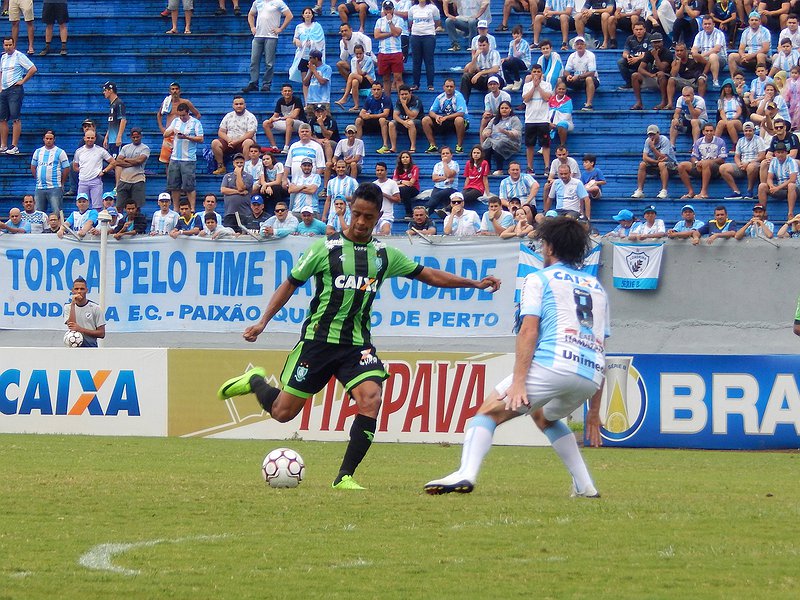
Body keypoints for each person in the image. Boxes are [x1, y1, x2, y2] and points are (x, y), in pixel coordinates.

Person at [217, 182, 502, 490]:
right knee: (283, 413)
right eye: (357, 214)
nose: (362, 222)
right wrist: (263, 322)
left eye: (368, 216)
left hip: (357, 347)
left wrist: (473, 284)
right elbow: (289, 284)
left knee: (371, 398)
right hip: (318, 343)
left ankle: (344, 477)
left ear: (379, 215)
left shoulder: (383, 255)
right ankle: (255, 381)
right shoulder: (324, 250)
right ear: (350, 211)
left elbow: (430, 275)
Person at [424, 216, 606, 497]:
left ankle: (466, 474)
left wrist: (519, 382)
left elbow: (528, 330)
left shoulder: (538, 278)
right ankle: (586, 486)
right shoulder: (597, 288)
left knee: (487, 413)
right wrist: (594, 412)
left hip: (554, 364)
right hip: (590, 375)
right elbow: (600, 345)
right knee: (543, 416)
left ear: (549, 248)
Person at [243, 0, 293, 93]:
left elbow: (289, 15)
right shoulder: (257, 2)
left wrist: (280, 29)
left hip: (271, 36)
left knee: (269, 63)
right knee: (254, 61)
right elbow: (251, 14)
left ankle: (266, 84)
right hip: (258, 35)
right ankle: (253, 82)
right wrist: (252, 27)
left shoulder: (278, 2)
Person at [164, 101, 204, 211]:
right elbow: (165, 134)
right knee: (174, 185)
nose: (182, 117)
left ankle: (192, 208)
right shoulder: (175, 121)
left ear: (188, 113)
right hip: (175, 157)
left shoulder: (195, 123)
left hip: (188, 159)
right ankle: (176, 208)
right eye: (180, 115)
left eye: (184, 115)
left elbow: (200, 138)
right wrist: (173, 131)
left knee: (189, 186)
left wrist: (187, 137)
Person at [0, 37, 36, 155]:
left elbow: (32, 68)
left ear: (14, 45)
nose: (8, 47)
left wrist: (23, 81)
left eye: (10, 45)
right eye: (6, 45)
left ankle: (14, 145)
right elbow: (1, 73)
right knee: (2, 118)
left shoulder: (19, 56)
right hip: (4, 90)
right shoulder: (3, 57)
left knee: (15, 117)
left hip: (15, 89)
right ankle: (3, 145)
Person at [156, 82, 201, 170]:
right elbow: (159, 115)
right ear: (170, 91)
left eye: (176, 89)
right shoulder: (166, 103)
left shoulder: (185, 102)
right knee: (167, 161)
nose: (175, 91)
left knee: (182, 160)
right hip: (169, 134)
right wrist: (162, 128)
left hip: (182, 135)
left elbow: (197, 114)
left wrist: (191, 128)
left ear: (180, 91)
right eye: (172, 89)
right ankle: (169, 182)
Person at [677, 123, 728, 199]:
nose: (709, 133)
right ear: (703, 132)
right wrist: (697, 163)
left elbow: (722, 159)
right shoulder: (698, 142)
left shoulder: (720, 142)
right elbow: (693, 157)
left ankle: (703, 192)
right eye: (707, 131)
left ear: (714, 132)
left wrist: (708, 162)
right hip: (700, 165)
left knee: (705, 163)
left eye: (711, 131)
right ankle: (690, 192)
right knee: (681, 165)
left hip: (715, 167)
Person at [211, 96, 258, 175]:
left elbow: (250, 133)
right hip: (229, 142)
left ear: (245, 105)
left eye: (241, 104)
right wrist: (228, 140)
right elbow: (221, 132)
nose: (239, 106)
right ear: (233, 105)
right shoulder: (228, 116)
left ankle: (245, 168)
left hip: (242, 143)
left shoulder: (250, 117)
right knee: (215, 143)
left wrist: (236, 142)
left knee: (249, 142)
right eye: (236, 104)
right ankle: (221, 167)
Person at [719, 120, 766, 199]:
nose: (748, 133)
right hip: (743, 164)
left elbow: (761, 156)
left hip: (754, 163)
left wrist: (748, 163)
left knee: (751, 167)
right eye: (746, 131)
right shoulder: (740, 141)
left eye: (750, 131)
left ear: (753, 131)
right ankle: (736, 191)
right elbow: (737, 156)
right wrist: (739, 164)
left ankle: (749, 190)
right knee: (723, 168)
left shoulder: (759, 140)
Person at [422, 78, 469, 154]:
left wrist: (446, 117)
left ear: (454, 87)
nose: (449, 88)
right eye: (447, 86)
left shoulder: (459, 96)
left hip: (459, 122)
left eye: (451, 86)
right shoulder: (440, 97)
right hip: (445, 121)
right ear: (443, 87)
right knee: (425, 120)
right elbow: (431, 112)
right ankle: (433, 146)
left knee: (459, 119)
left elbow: (461, 113)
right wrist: (436, 116)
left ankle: (459, 146)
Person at [72, 129, 115, 210]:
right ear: (84, 138)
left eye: (92, 138)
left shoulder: (100, 150)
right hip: (82, 181)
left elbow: (113, 162)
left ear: (95, 139)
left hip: (96, 181)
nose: (90, 140)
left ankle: (96, 222)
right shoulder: (79, 151)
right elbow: (75, 166)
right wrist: (83, 171)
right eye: (88, 138)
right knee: (82, 206)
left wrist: (104, 171)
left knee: (97, 207)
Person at [522, 63, 553, 175]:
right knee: (530, 145)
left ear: (541, 73)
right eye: (534, 71)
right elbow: (526, 99)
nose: (536, 74)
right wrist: (533, 87)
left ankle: (546, 167)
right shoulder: (526, 85)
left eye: (538, 72)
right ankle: (530, 167)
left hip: (543, 120)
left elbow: (546, 98)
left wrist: (538, 86)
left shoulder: (547, 85)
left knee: (545, 144)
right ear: (531, 73)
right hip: (530, 120)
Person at [30, 129, 69, 214]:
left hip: (55, 187)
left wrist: (62, 183)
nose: (48, 140)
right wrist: (37, 178)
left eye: (50, 139)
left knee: (57, 212)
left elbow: (66, 168)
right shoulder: (38, 151)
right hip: (40, 188)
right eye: (47, 138)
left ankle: (59, 227)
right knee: (38, 213)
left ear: (54, 139)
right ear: (43, 139)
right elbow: (33, 166)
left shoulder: (60, 152)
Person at [290, 8, 325, 99]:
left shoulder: (317, 26)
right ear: (303, 15)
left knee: (315, 80)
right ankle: (307, 101)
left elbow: (321, 40)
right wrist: (297, 41)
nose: (308, 14)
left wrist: (313, 43)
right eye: (306, 13)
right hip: (303, 56)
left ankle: (316, 100)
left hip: (314, 58)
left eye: (309, 13)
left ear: (312, 15)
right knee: (305, 81)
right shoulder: (299, 27)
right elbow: (295, 39)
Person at [631, 32, 672, 111]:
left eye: (659, 42)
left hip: (664, 78)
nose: (657, 45)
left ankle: (664, 101)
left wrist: (656, 56)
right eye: (655, 42)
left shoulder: (667, 53)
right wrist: (650, 74)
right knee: (635, 75)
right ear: (652, 44)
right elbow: (640, 68)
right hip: (653, 77)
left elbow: (662, 68)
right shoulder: (649, 53)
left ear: (662, 42)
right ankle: (639, 103)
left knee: (661, 74)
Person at [481, 100, 522, 175]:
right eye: (502, 108)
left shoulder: (514, 119)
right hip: (494, 140)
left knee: (498, 143)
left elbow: (517, 134)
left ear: (510, 109)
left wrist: (506, 132)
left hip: (511, 142)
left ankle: (499, 169)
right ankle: (487, 169)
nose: (504, 110)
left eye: (506, 108)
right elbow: (487, 129)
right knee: (485, 145)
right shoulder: (494, 119)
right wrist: (487, 132)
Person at [758, 140, 797, 218]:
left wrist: (778, 188)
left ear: (786, 153)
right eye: (778, 152)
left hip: (793, 188)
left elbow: (792, 179)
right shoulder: (774, 161)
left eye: (782, 152)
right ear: (775, 153)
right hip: (779, 187)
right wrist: (772, 186)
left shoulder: (792, 162)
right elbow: (769, 178)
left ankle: (790, 213)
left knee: (791, 185)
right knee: (762, 186)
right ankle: (763, 213)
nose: (780, 154)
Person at [262, 83, 304, 154]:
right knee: (266, 123)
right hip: (287, 123)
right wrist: (271, 120)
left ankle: (286, 147)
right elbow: (275, 115)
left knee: (289, 120)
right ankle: (274, 147)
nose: (287, 93)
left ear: (292, 92)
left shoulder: (297, 100)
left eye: (289, 91)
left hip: (299, 124)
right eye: (285, 91)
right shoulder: (280, 101)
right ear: (282, 92)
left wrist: (280, 118)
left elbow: (294, 115)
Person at [64, 277, 105, 348]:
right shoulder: (68, 307)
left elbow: (101, 333)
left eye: (82, 289)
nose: (79, 291)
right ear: (72, 291)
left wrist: (81, 329)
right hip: (74, 347)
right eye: (76, 289)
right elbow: (72, 327)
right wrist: (73, 304)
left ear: (87, 290)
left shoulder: (95, 308)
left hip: (91, 347)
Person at [374, 1, 405, 94]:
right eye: (386, 9)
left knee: (398, 77)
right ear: (383, 9)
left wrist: (390, 22)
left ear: (393, 9)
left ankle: (401, 101)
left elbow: (397, 33)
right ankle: (387, 102)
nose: (388, 11)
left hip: (396, 51)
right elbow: (376, 36)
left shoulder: (399, 20)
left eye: (389, 9)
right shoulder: (379, 21)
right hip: (383, 52)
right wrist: (391, 33)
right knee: (386, 79)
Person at [115, 127, 150, 209]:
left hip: (138, 180)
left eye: (137, 137)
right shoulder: (125, 148)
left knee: (137, 207)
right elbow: (118, 161)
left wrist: (126, 159)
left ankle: (136, 222)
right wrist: (133, 162)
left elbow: (140, 160)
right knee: (119, 206)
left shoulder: (145, 148)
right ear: (131, 137)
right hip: (123, 180)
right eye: (134, 137)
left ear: (141, 136)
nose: (136, 139)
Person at [461, 35, 503, 102]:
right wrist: (474, 58)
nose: (482, 47)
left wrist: (480, 73)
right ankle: (463, 104)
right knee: (466, 76)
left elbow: (495, 69)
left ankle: (490, 106)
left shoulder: (495, 53)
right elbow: (471, 71)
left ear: (488, 45)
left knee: (491, 76)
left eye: (484, 45)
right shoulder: (478, 55)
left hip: (497, 80)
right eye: (480, 46)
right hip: (484, 80)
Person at [728, 11, 771, 77]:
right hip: (749, 57)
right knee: (732, 56)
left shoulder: (765, 31)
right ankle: (734, 79)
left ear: (759, 21)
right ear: (749, 21)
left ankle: (761, 78)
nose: (754, 22)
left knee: (760, 55)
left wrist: (751, 56)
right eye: (752, 20)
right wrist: (743, 56)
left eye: (756, 20)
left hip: (764, 57)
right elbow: (741, 48)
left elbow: (765, 49)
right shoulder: (746, 32)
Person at [409, 0, 440, 91]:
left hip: (429, 36)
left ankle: (430, 84)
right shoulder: (412, 9)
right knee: (416, 61)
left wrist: (429, 30)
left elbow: (437, 22)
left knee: (429, 61)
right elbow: (410, 22)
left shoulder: (433, 8)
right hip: (415, 36)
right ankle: (416, 84)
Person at [334, 43, 375, 111]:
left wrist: (357, 63)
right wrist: (364, 74)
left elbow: (360, 73)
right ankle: (356, 105)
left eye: (360, 53)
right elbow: (356, 74)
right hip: (360, 80)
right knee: (354, 81)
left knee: (352, 76)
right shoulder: (353, 60)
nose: (358, 55)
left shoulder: (368, 60)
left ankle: (345, 97)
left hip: (369, 82)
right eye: (357, 54)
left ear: (363, 52)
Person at [691, 15, 728, 88]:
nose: (707, 26)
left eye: (709, 24)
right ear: (702, 25)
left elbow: (716, 49)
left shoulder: (719, 33)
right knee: (693, 54)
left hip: (720, 59)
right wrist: (695, 54)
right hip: (705, 59)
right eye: (705, 24)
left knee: (713, 56)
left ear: (713, 24)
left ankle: (715, 80)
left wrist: (701, 56)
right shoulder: (699, 35)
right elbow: (694, 48)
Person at [221, 152, 254, 231]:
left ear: (244, 163)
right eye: (237, 163)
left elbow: (240, 187)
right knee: (229, 235)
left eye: (241, 163)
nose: (239, 164)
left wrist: (238, 173)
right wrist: (238, 193)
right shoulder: (227, 176)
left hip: (244, 213)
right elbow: (223, 190)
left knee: (244, 235)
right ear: (233, 163)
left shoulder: (249, 177)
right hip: (229, 212)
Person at [563, 36, 598, 111]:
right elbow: (566, 71)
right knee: (560, 79)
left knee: (589, 79)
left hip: (591, 81)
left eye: (581, 44)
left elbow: (592, 72)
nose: (579, 46)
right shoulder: (572, 56)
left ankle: (589, 104)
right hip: (577, 81)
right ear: (574, 46)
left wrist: (578, 76)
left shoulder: (590, 55)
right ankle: (560, 102)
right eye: (577, 44)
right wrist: (568, 76)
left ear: (585, 45)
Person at [357, 81, 392, 154]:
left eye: (378, 89)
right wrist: (364, 115)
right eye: (374, 89)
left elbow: (385, 114)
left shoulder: (386, 99)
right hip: (372, 121)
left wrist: (370, 116)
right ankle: (357, 145)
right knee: (358, 120)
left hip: (385, 122)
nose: (376, 92)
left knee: (382, 120)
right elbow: (362, 112)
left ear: (382, 90)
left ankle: (385, 145)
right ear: (371, 90)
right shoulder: (369, 99)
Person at [617, 21, 652, 91]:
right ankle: (629, 83)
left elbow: (651, 53)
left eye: (641, 29)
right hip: (634, 60)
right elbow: (625, 52)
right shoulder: (630, 38)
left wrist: (638, 58)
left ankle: (648, 83)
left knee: (649, 62)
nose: (639, 31)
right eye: (636, 30)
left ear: (645, 30)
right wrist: (628, 57)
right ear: (633, 30)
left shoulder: (650, 37)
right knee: (620, 62)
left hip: (645, 60)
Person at [388, 84, 423, 153]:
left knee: (410, 122)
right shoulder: (399, 101)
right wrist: (403, 122)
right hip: (405, 122)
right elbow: (395, 116)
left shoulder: (416, 100)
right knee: (391, 123)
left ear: (410, 93)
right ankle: (393, 147)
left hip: (418, 123)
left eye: (406, 94)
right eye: (402, 94)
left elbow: (412, 116)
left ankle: (413, 147)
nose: (404, 96)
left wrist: (404, 105)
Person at [427, 146, 460, 213]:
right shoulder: (437, 165)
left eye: (447, 153)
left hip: (450, 188)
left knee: (437, 195)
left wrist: (445, 163)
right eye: (443, 153)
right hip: (438, 187)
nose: (445, 155)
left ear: (451, 155)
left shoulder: (455, 164)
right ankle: (425, 215)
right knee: (434, 199)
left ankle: (424, 208)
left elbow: (449, 174)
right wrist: (445, 178)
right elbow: (434, 178)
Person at [373, 160, 401, 232]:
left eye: (382, 170)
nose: (379, 172)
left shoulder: (392, 183)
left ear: (386, 171)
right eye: (378, 170)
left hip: (387, 216)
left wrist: (384, 194)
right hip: (374, 216)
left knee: (385, 232)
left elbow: (398, 199)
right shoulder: (373, 184)